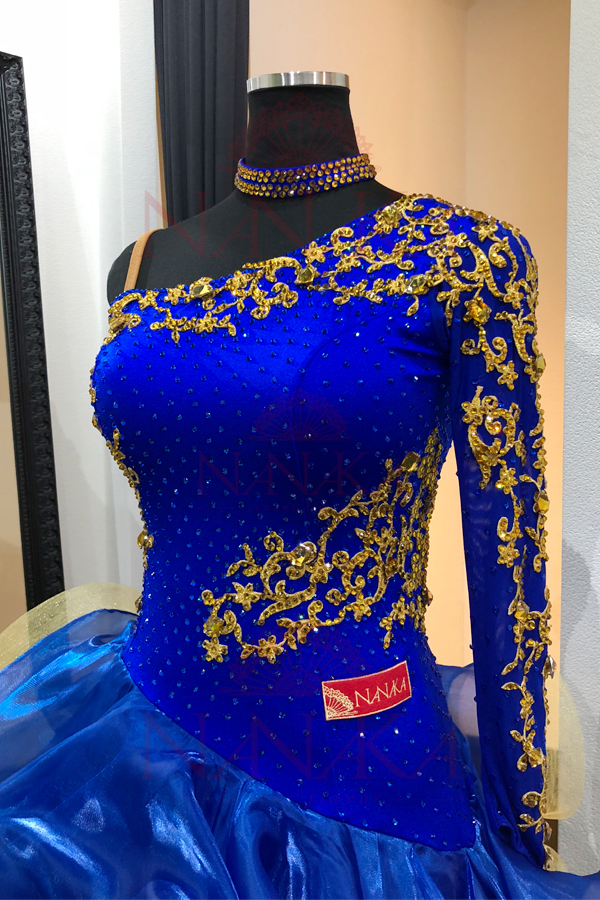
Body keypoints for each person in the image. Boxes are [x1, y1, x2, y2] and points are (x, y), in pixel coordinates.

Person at [1, 72, 599, 900]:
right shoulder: (138, 268)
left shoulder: (464, 260)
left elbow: (510, 554)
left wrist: (517, 809)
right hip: (146, 739)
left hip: (358, 765)